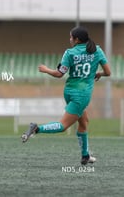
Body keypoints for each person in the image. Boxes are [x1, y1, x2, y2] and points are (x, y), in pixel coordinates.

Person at [21, 26, 111, 165]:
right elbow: (108, 72)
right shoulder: (97, 50)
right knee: (63, 126)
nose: (69, 40)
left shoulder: (70, 53)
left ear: (77, 39)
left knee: (83, 122)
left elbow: (59, 74)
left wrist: (46, 70)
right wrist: (99, 73)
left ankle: (85, 155)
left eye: (71, 37)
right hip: (81, 95)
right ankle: (37, 128)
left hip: (69, 92)